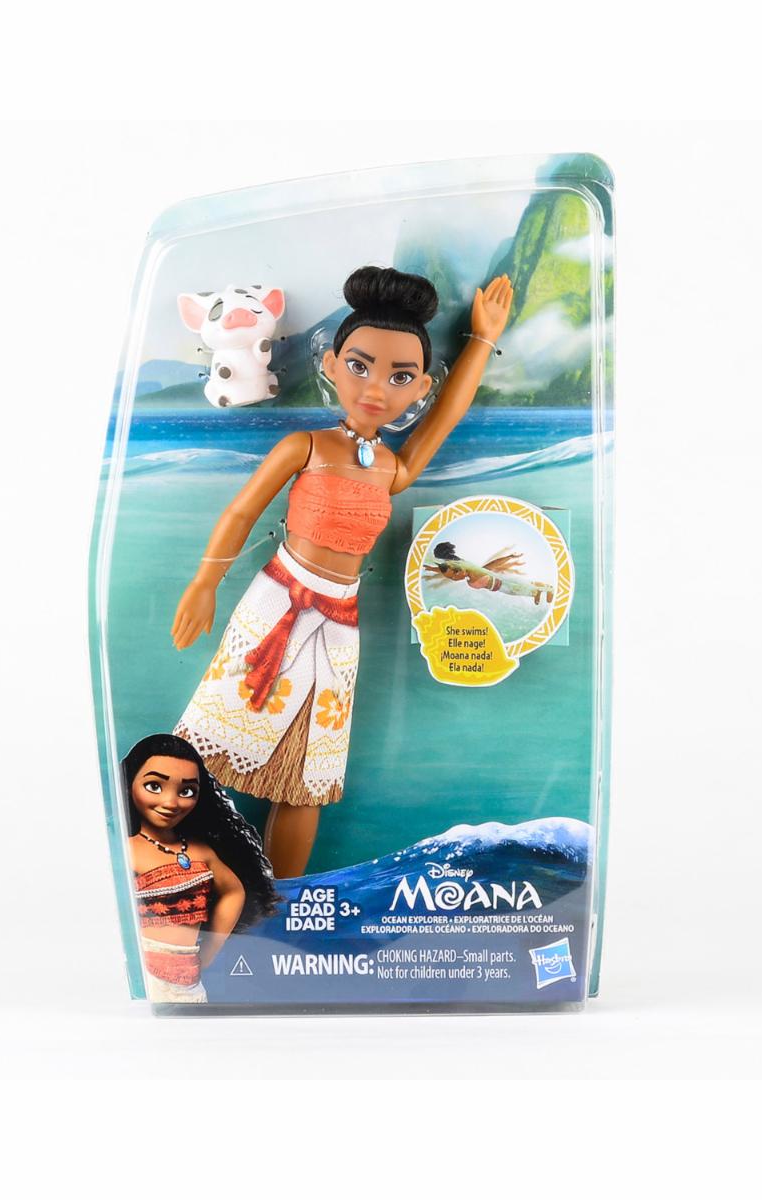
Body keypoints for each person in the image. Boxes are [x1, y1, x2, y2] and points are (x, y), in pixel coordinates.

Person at [172, 266, 514, 876]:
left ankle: (280, 903)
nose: (376, 387)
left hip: (339, 623)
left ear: (421, 386)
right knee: (212, 747)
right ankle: (182, 878)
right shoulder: (305, 447)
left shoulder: (390, 466)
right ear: (330, 364)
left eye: (400, 376)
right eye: (360, 365)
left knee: (308, 772)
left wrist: (483, 339)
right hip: (277, 603)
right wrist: (205, 582)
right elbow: (241, 511)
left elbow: (446, 418)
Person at [122, 733, 278, 1003]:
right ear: (129, 784)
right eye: (154, 786)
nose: (171, 803)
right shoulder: (126, 848)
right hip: (148, 974)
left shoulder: (199, 850)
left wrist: (209, 949)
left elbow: (233, 891)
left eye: (186, 791)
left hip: (190, 981)